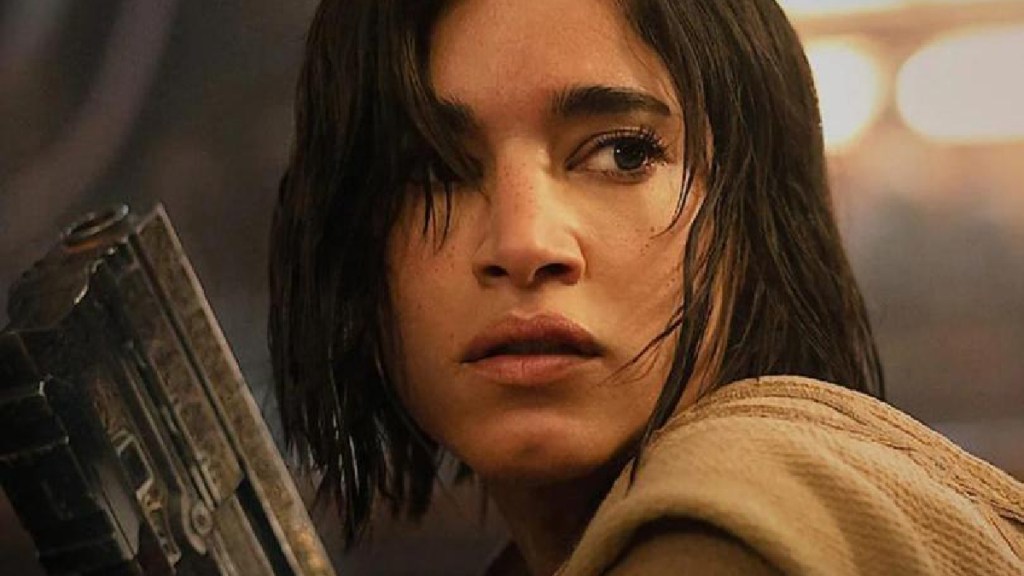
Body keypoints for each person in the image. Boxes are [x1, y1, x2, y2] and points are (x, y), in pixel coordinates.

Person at [268, 0, 1024, 574]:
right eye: (429, 169)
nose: (524, 245)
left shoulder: (715, 535)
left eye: (624, 154)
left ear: (757, 221)